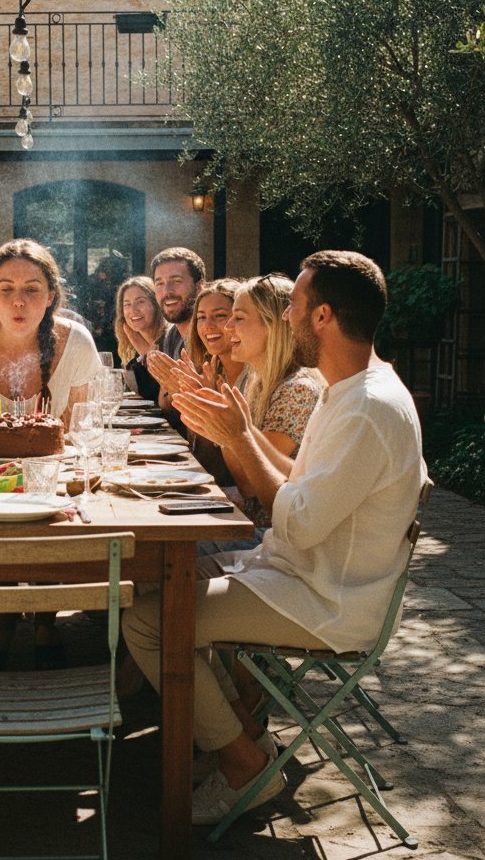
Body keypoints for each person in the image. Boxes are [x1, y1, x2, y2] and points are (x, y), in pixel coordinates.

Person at [122, 250, 426, 825]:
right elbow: (294, 486)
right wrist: (233, 428)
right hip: (293, 567)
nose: (285, 316)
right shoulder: (351, 389)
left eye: (293, 306)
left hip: (324, 598)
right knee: (151, 587)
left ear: (323, 317)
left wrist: (237, 439)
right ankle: (239, 729)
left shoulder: (367, 409)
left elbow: (299, 520)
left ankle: (243, 763)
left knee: (146, 619)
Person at [0, 238, 102, 671]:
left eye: (32, 288)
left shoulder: (76, 342)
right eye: (6, 288)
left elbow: (74, 425)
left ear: (51, 296)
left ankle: (45, 620)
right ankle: (4, 620)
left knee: (47, 517)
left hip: (49, 475)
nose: (18, 299)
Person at [189, 274, 323, 554]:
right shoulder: (258, 383)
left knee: (173, 550)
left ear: (272, 325)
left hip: (274, 538)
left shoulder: (296, 390)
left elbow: (252, 488)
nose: (227, 327)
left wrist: (223, 429)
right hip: (255, 524)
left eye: (238, 318)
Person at [183, 279, 246, 486]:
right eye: (201, 317)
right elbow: (207, 464)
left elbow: (238, 476)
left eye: (220, 316)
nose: (208, 325)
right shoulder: (212, 370)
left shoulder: (258, 377)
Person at [143, 247, 206, 429]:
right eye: (159, 283)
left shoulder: (211, 333)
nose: (167, 291)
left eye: (176, 281)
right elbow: (169, 409)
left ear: (200, 285)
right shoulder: (172, 335)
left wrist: (174, 395)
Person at [113, 275, 167, 402]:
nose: (133, 310)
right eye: (127, 304)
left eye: (140, 302)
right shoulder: (131, 349)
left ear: (156, 304)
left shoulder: (171, 341)